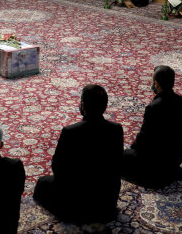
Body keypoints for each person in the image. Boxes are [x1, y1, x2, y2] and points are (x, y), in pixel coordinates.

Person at [34, 85, 123, 224]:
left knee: (42, 184)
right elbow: (117, 165)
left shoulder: (70, 132)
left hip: (77, 205)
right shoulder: (116, 129)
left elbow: (58, 168)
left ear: (83, 105)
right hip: (106, 202)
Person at [122, 65, 182, 188]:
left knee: (120, 156)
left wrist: (132, 150)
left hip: (155, 163)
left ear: (156, 83)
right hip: (174, 158)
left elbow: (144, 139)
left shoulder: (154, 107)